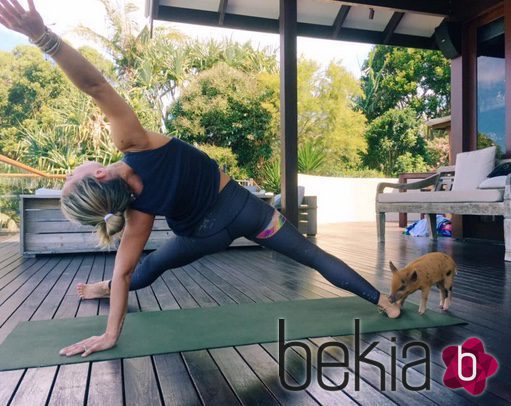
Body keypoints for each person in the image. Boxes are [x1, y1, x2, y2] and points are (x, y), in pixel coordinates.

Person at [0, 0, 400, 358]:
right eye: (76, 176)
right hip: (249, 213)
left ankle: (102, 290)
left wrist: (110, 334)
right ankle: (383, 300)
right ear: (100, 174)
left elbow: (125, 272)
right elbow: (95, 85)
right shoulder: (134, 142)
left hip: (204, 236)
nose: (75, 168)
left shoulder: (139, 214)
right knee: (313, 257)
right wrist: (42, 37)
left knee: (150, 267)